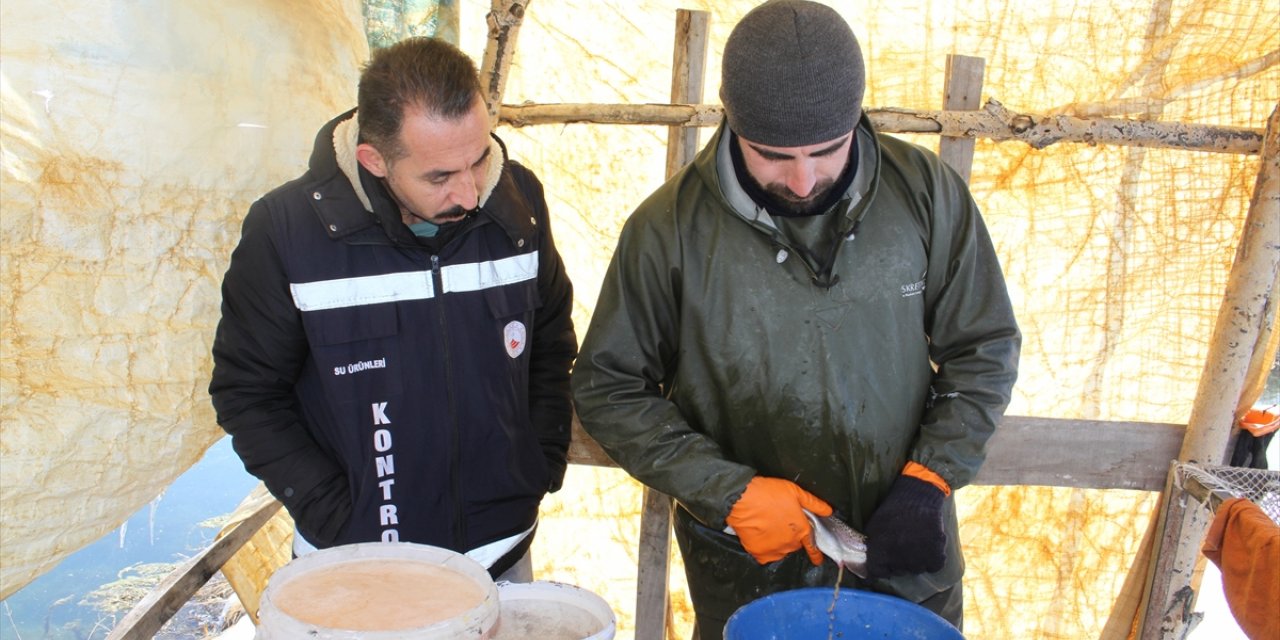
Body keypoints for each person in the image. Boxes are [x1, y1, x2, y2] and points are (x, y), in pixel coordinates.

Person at [570, 0, 1020, 635]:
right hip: (751, 573)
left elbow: (985, 344)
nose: (805, 181)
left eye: (828, 150)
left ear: (857, 118)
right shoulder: (666, 229)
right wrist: (728, 492)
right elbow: (608, 388)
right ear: (731, 119)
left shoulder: (926, 194)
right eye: (774, 155)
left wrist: (932, 476)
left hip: (906, 566)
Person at [209, 36, 576, 582]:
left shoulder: (518, 203)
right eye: (439, 177)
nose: (472, 193)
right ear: (374, 160)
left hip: (501, 554)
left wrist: (537, 464)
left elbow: (549, 344)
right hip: (356, 569)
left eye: (479, 158)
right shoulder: (285, 232)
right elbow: (247, 393)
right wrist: (335, 512)